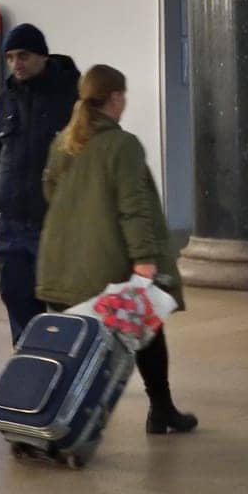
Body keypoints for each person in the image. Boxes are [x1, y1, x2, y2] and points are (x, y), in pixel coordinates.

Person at [38, 65, 198, 435]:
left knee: (70, 345)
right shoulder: (122, 145)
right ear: (115, 98)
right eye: (122, 95)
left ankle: (52, 418)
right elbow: (133, 206)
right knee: (149, 332)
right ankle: (162, 410)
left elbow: (49, 191)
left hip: (60, 261)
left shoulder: (64, 140)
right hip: (107, 263)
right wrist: (143, 258)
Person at [0, 23, 79, 344]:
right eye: (10, 57)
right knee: (15, 295)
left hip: (56, 221)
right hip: (13, 221)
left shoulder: (71, 97)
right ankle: (29, 363)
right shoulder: (5, 101)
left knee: (63, 303)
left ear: (42, 56)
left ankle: (65, 367)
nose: (16, 63)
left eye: (23, 56)